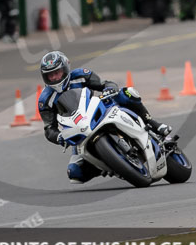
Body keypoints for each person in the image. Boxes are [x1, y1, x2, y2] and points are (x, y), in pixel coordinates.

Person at [38, 51, 172, 184]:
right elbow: (49, 128)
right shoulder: (45, 100)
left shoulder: (80, 75)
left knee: (127, 93)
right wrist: (59, 137)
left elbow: (105, 84)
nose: (55, 77)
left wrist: (109, 88)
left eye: (57, 72)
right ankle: (107, 164)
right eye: (50, 75)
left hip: (99, 109)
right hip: (79, 129)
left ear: (66, 69)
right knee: (74, 173)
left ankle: (152, 123)